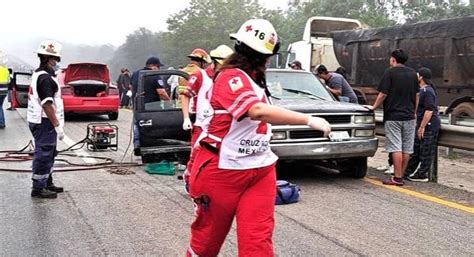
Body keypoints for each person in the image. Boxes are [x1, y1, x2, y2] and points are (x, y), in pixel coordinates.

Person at [186, 19, 331, 257]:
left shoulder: (254, 81)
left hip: (260, 169)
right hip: (222, 171)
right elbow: (256, 111)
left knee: (258, 243)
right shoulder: (230, 76)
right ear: (264, 56)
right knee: (206, 244)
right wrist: (307, 119)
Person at [179, 44, 233, 191]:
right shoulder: (200, 75)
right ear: (213, 62)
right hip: (202, 124)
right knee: (196, 156)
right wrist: (186, 118)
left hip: (221, 125)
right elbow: (185, 95)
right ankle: (190, 182)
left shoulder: (229, 77)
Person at [366, 49, 419, 186]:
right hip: (409, 116)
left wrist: (374, 107)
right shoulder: (413, 73)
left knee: (396, 146)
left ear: (393, 59)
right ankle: (401, 175)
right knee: (407, 147)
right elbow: (417, 95)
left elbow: (383, 94)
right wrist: (414, 111)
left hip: (393, 115)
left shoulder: (390, 72)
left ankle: (397, 177)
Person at [27, 40, 65, 198]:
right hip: (45, 122)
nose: (56, 63)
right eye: (55, 60)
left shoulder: (42, 75)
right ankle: (38, 188)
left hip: (43, 121)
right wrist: (57, 125)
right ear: (48, 59)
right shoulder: (45, 79)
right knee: (44, 153)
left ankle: (47, 182)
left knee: (50, 153)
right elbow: (47, 105)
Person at [405, 67, 441, 182]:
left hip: (429, 125)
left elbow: (429, 109)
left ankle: (422, 174)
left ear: (421, 77)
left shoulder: (428, 91)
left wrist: (422, 127)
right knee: (416, 150)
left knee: (426, 151)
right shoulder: (421, 90)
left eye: (417, 74)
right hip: (420, 124)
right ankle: (407, 172)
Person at [130, 56, 170, 156]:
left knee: (138, 125)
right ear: (152, 66)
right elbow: (161, 92)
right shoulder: (154, 75)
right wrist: (170, 102)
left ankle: (137, 145)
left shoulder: (135, 74)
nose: (159, 69)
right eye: (158, 66)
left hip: (138, 105)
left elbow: (130, 87)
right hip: (152, 106)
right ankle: (152, 146)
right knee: (154, 127)